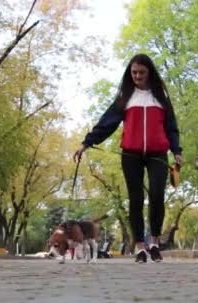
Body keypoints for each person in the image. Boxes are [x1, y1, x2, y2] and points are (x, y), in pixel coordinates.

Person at [73, 53, 182, 263]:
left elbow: (171, 128)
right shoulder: (125, 98)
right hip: (131, 154)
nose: (137, 76)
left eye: (141, 72)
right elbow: (106, 124)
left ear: (149, 72)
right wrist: (86, 143)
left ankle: (154, 242)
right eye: (134, 72)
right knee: (135, 199)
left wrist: (177, 151)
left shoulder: (161, 99)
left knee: (158, 196)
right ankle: (140, 246)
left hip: (157, 153)